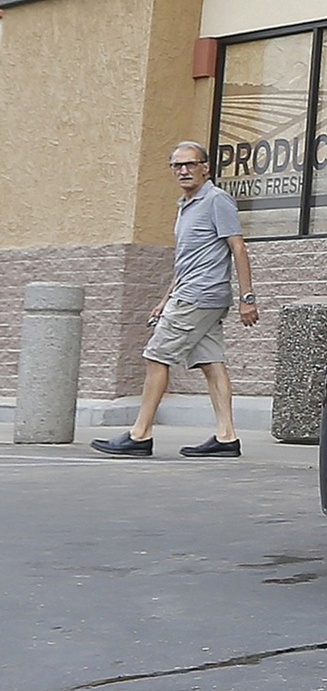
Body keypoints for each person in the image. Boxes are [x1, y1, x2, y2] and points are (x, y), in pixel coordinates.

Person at [91, 142, 258, 458]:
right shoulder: (186, 204)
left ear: (205, 167)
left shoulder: (216, 200)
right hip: (191, 293)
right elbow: (188, 260)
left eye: (190, 164)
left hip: (199, 296)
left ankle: (140, 434)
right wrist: (166, 298)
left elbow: (238, 248)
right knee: (211, 363)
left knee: (156, 357)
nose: (184, 170)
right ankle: (226, 437)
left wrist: (247, 298)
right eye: (177, 165)